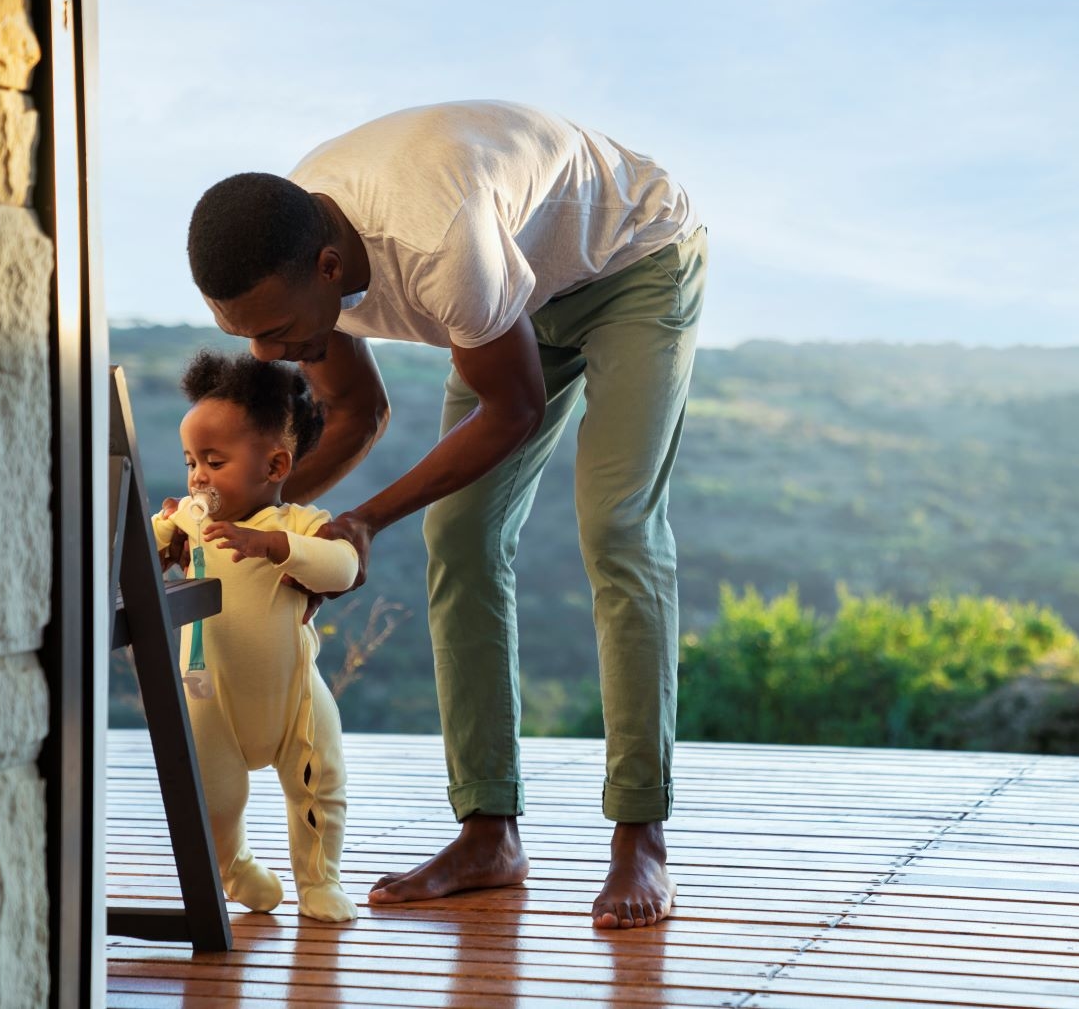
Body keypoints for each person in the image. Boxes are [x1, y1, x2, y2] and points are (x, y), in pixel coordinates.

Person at [185, 100, 705, 929]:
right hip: (513, 286)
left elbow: (514, 408)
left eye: (279, 332)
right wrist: (261, 534)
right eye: (246, 337)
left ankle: (640, 835)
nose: (268, 357)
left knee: (617, 527)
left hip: (631, 260)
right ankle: (489, 831)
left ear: (328, 268)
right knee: (459, 536)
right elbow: (357, 410)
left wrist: (359, 522)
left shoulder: (436, 242)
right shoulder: (292, 240)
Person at [153, 351, 361, 922]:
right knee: (213, 801)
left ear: (274, 467)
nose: (197, 475)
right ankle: (235, 867)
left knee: (320, 786)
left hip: (293, 695)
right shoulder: (190, 523)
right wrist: (161, 530)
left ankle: (318, 880)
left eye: (214, 461)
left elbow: (343, 567)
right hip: (207, 696)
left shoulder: (294, 523)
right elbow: (139, 556)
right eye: (191, 460)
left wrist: (277, 548)